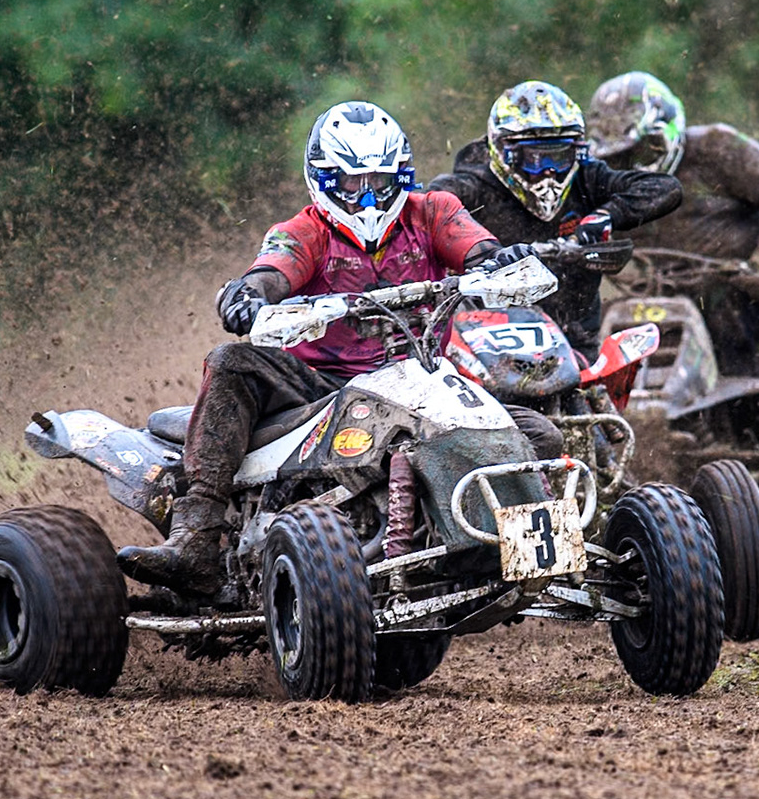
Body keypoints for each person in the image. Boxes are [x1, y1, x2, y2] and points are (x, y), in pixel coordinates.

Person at [121, 99, 540, 593]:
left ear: (401, 177)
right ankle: (195, 536)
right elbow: (271, 273)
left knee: (538, 436)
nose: (367, 198)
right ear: (322, 181)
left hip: (421, 377)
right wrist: (249, 297)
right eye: (351, 184)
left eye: (380, 183)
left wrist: (502, 259)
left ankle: (511, 553)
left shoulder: (433, 212)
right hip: (320, 385)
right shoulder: (304, 233)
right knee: (230, 361)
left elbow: (477, 250)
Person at [429, 80, 682, 351]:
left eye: (560, 157)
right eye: (536, 159)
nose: (550, 171)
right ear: (506, 153)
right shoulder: (474, 186)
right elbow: (430, 207)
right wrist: (482, 252)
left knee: (601, 386)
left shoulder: (586, 177)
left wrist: (606, 216)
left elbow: (666, 188)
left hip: (575, 337)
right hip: (489, 340)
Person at [585, 71, 759, 374]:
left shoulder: (717, 148)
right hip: (654, 293)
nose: (631, 164)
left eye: (641, 150)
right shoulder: (604, 181)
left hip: (743, 286)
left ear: (667, 131)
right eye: (619, 157)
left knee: (716, 301)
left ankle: (737, 398)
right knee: (594, 324)